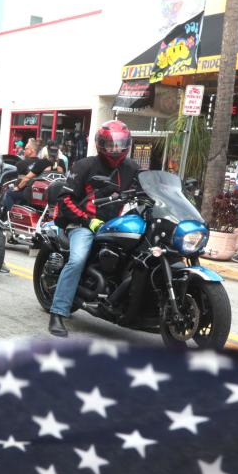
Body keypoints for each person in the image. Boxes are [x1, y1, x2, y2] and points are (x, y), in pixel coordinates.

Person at [48, 120, 140, 337]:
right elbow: (65, 200)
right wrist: (87, 220)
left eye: (120, 145)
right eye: (110, 145)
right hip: (82, 224)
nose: (115, 150)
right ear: (100, 145)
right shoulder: (84, 166)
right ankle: (58, 312)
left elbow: (150, 189)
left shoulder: (132, 168)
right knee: (78, 259)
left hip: (113, 224)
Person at [0, 139, 61, 217]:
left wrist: (18, 187)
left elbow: (27, 178)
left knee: (9, 193)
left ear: (45, 151)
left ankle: (13, 216)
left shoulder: (42, 163)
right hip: (52, 195)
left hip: (36, 194)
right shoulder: (60, 164)